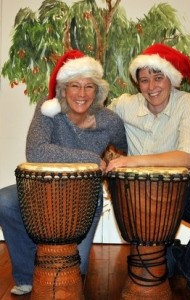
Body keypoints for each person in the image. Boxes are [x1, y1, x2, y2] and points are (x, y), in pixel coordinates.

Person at [0, 49, 127, 295]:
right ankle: (26, 274)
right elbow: (35, 151)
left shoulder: (108, 120)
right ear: (63, 89)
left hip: (85, 196)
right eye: (74, 86)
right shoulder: (48, 110)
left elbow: (129, 147)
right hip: (41, 188)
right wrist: (91, 159)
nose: (81, 94)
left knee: (74, 272)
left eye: (89, 86)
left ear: (97, 90)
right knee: (4, 200)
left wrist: (120, 164)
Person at [106, 43, 190, 295]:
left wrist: (133, 161)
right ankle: (171, 249)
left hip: (187, 184)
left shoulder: (188, 103)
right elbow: (97, 122)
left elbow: (188, 158)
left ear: (171, 79)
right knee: (162, 271)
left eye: (158, 78)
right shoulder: (126, 104)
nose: (151, 87)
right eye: (144, 80)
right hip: (144, 192)